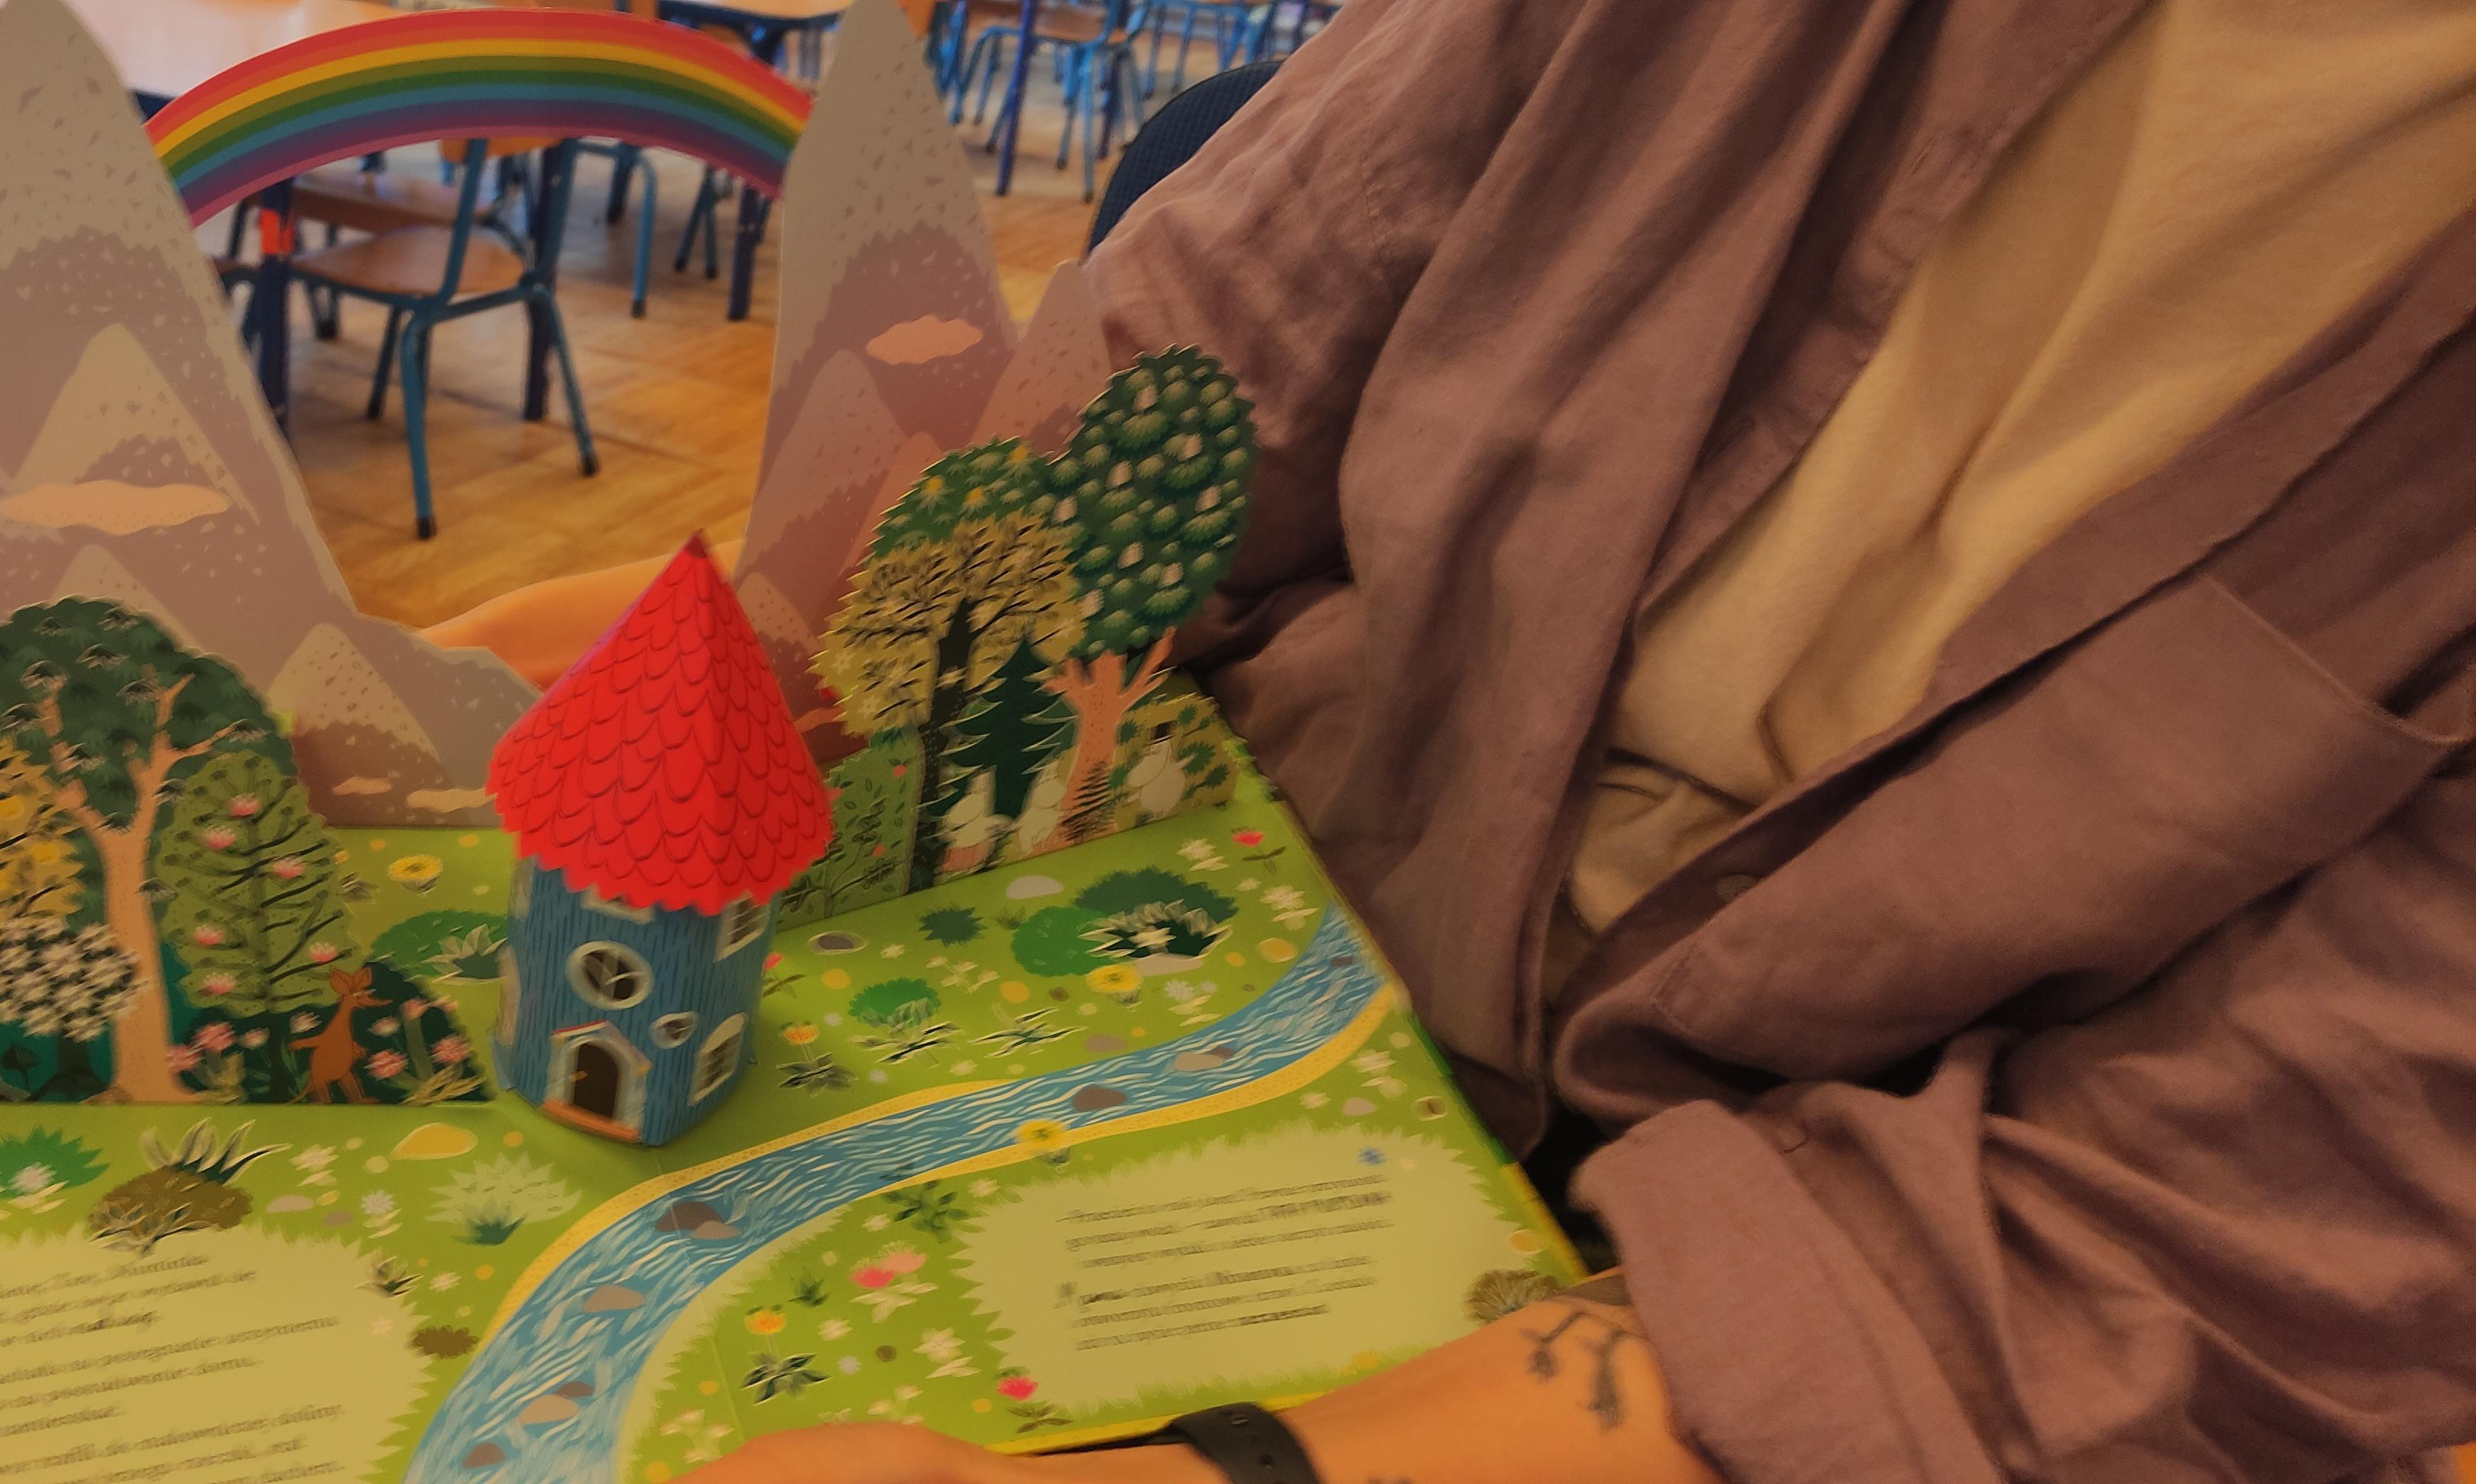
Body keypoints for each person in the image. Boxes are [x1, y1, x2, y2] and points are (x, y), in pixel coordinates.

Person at [436, 0, 2476, 1478]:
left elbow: (2237, 1231)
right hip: (1224, 949)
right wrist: (776, 640)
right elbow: (1189, 364)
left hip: (1823, 1279)